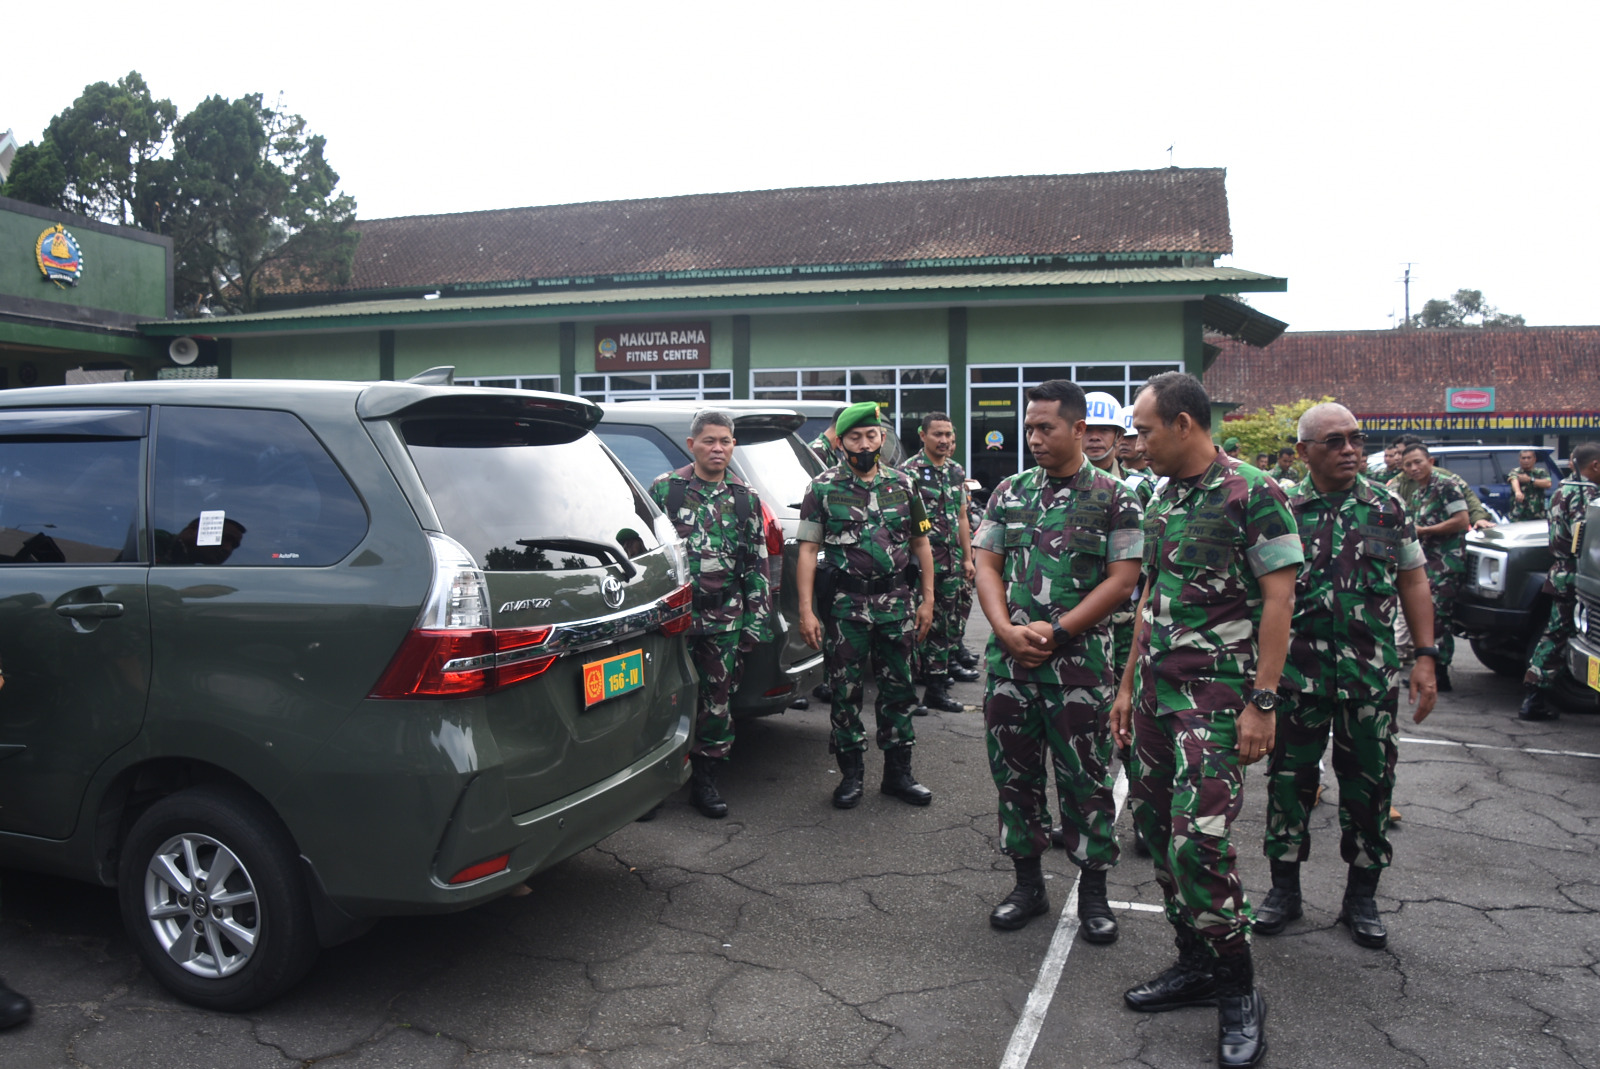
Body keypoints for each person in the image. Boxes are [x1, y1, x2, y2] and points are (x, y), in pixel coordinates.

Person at [1112, 372, 1302, 1069]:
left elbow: (1279, 600)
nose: (1138, 444)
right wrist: (1127, 685)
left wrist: (1263, 701)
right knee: (1160, 836)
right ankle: (1194, 962)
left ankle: (1237, 991)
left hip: (1217, 701)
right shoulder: (1162, 498)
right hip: (1155, 697)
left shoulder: (1253, 492)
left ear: (1184, 423)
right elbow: (1150, 596)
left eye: (1144, 430)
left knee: (1201, 844)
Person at [1253, 404, 1439, 952]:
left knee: (1370, 788)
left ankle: (1361, 898)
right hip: (1296, 677)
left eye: (1356, 439)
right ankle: (1283, 891)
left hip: (1369, 677)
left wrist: (1425, 657)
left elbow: (1414, 582)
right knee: (1288, 786)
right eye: (1333, 441)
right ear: (1303, 452)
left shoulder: (1388, 506)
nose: (1350, 450)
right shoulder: (1281, 508)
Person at [973, 380, 1142, 939]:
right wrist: (1004, 629)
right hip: (1011, 668)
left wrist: (1061, 629)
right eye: (1029, 428)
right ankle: (1027, 887)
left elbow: (1123, 581)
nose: (1034, 438)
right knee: (1014, 780)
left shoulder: (1116, 497)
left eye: (1045, 427)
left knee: (1085, 783)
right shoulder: (1009, 492)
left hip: (1079, 671)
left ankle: (1093, 893)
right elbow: (986, 564)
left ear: (1078, 429)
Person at [796, 401, 936, 808]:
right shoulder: (822, 488)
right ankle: (851, 775)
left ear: (882, 438)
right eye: (855, 437)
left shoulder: (904, 485)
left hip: (897, 605)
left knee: (900, 689)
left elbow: (921, 543)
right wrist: (806, 610)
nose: (864, 444)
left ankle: (898, 774)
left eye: (871, 435)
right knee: (845, 692)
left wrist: (928, 599)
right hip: (846, 607)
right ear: (840, 442)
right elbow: (808, 551)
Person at [650, 410, 774, 818]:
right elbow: (646, 557)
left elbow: (757, 565)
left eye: (724, 441)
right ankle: (653, 786)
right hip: (674, 622)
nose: (717, 448)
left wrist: (756, 623)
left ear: (733, 445)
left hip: (725, 620)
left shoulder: (745, 498)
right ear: (692, 445)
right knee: (663, 698)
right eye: (709, 441)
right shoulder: (666, 490)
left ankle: (705, 782)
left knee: (716, 703)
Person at [902, 413, 979, 714]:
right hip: (921, 563)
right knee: (913, 626)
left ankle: (936, 688)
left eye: (948, 434)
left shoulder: (956, 471)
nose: (944, 440)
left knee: (944, 626)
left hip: (950, 561)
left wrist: (967, 557)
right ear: (923, 436)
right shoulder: (908, 473)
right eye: (938, 434)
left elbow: (961, 517)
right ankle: (906, 691)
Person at [1519, 443, 1600, 720]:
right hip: (1578, 574)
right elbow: (1585, 540)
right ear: (1595, 465)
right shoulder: (1587, 495)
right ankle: (1534, 697)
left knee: (1557, 634)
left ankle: (1534, 694)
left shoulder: (1562, 490)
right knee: (1561, 635)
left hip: (1561, 571)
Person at [1388, 443, 1470, 691]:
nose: (1414, 468)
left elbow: (1461, 520)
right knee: (1428, 615)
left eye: (1418, 462)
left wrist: (1425, 531)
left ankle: (1439, 671)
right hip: (1427, 561)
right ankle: (1434, 669)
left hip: (1446, 561)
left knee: (1437, 617)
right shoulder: (1418, 492)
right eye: (1408, 465)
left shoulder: (1446, 485)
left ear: (1430, 462)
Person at [1507, 449, 1552, 522]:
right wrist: (1518, 492)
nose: (1526, 460)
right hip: (1519, 515)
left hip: (1538, 514)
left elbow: (1548, 483)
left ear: (1534, 459)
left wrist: (1530, 480)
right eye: (1523, 458)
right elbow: (1513, 479)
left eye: (1529, 458)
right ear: (1519, 460)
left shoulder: (1541, 472)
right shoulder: (1516, 471)